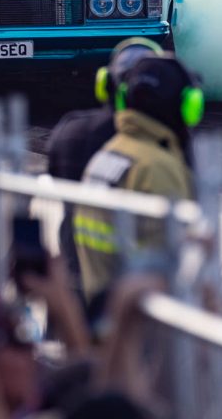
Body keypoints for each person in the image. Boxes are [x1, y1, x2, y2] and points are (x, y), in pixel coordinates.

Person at [74, 55, 202, 304]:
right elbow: (174, 268)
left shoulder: (108, 154)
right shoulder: (156, 168)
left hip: (103, 309)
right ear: (187, 106)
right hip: (143, 324)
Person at [46, 38, 163, 301]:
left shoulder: (69, 131)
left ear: (105, 84)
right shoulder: (155, 149)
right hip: (135, 290)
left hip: (74, 276)